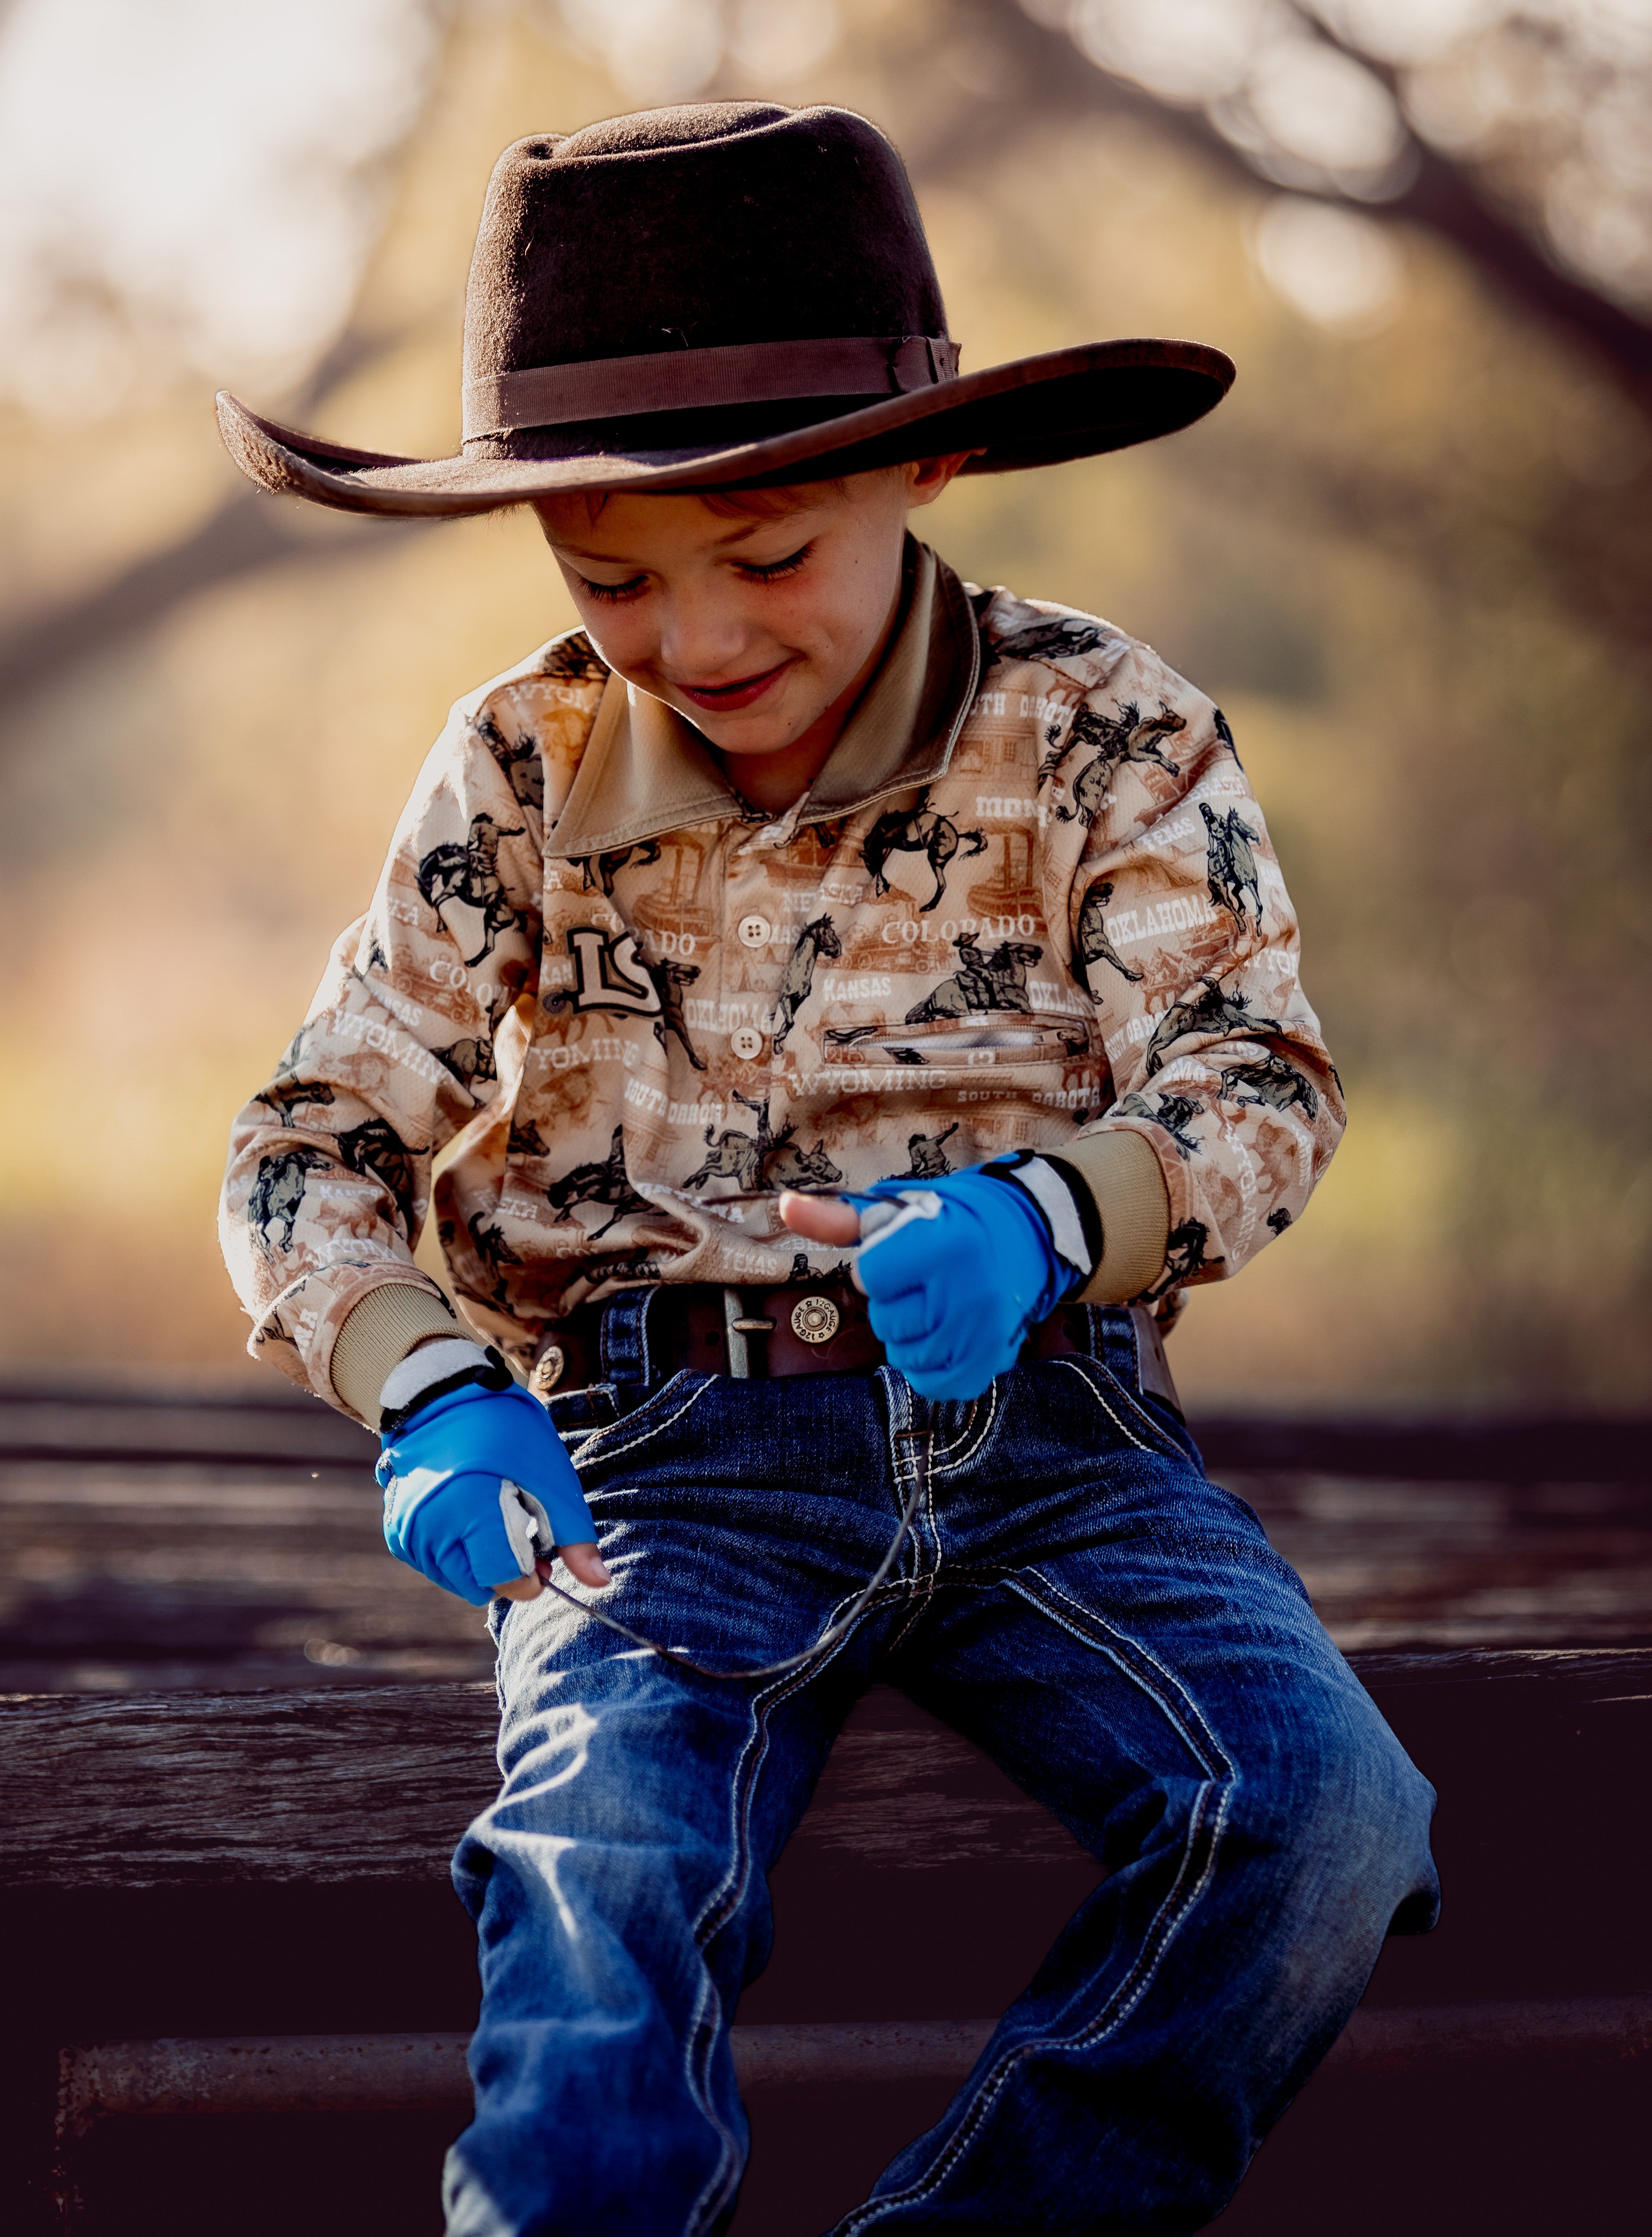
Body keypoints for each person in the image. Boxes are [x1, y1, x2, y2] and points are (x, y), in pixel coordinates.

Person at [217, 101, 1438, 2237]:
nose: (691, 639)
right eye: (609, 577)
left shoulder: (1107, 731)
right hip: (662, 1460)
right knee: (599, 1865)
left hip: (1055, 1435)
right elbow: (308, 1141)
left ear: (921, 467)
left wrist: (1056, 1214)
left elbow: (1258, 1072)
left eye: (766, 554)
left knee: (1325, 1814)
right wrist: (422, 1383)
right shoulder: (521, 763)